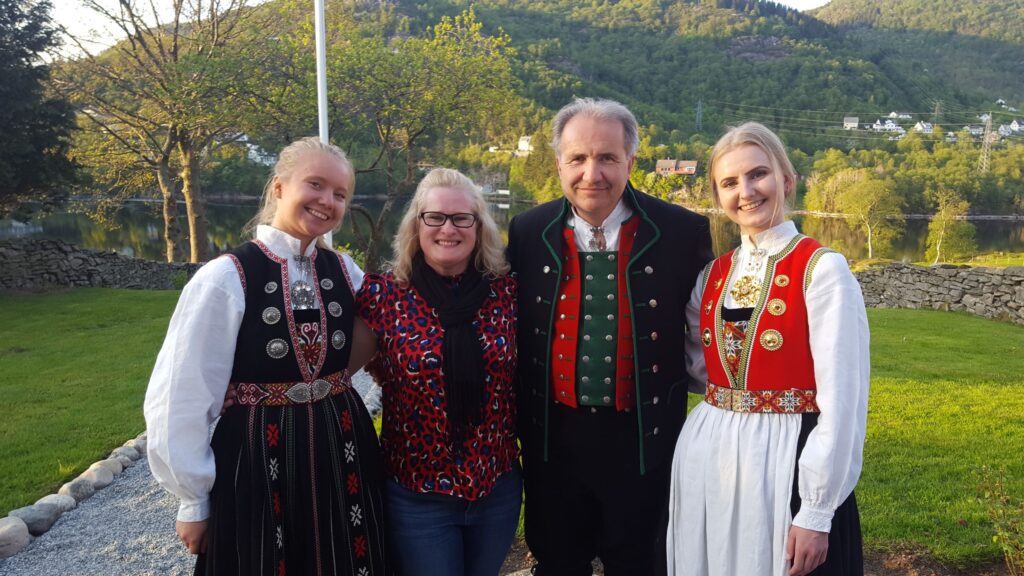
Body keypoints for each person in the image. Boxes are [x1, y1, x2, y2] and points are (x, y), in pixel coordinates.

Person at [145, 137, 388, 575]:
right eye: (315, 184)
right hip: (259, 455)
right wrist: (193, 499)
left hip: (341, 447)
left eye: (339, 194)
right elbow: (181, 393)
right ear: (279, 187)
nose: (327, 201)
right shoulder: (225, 277)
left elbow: (391, 317)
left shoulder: (344, 270)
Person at [506, 97, 713, 576]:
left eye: (607, 158)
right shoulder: (527, 230)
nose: (591, 173)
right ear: (558, 163)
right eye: (577, 158)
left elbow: (711, 335)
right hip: (553, 440)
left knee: (640, 563)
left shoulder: (682, 231)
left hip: (644, 441)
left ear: (630, 161)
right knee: (558, 563)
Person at [666, 122, 868, 576]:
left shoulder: (823, 269)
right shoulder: (713, 274)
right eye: (729, 183)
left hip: (787, 459)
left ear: (787, 179)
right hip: (711, 457)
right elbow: (702, 367)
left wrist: (816, 511)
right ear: (719, 196)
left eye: (758, 174)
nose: (746, 191)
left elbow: (844, 403)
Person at [351, 168, 520, 576]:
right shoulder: (383, 296)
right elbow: (331, 375)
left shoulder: (508, 294)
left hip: (496, 489)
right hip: (416, 496)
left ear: (479, 228)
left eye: (462, 218)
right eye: (436, 217)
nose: (449, 228)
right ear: (416, 226)